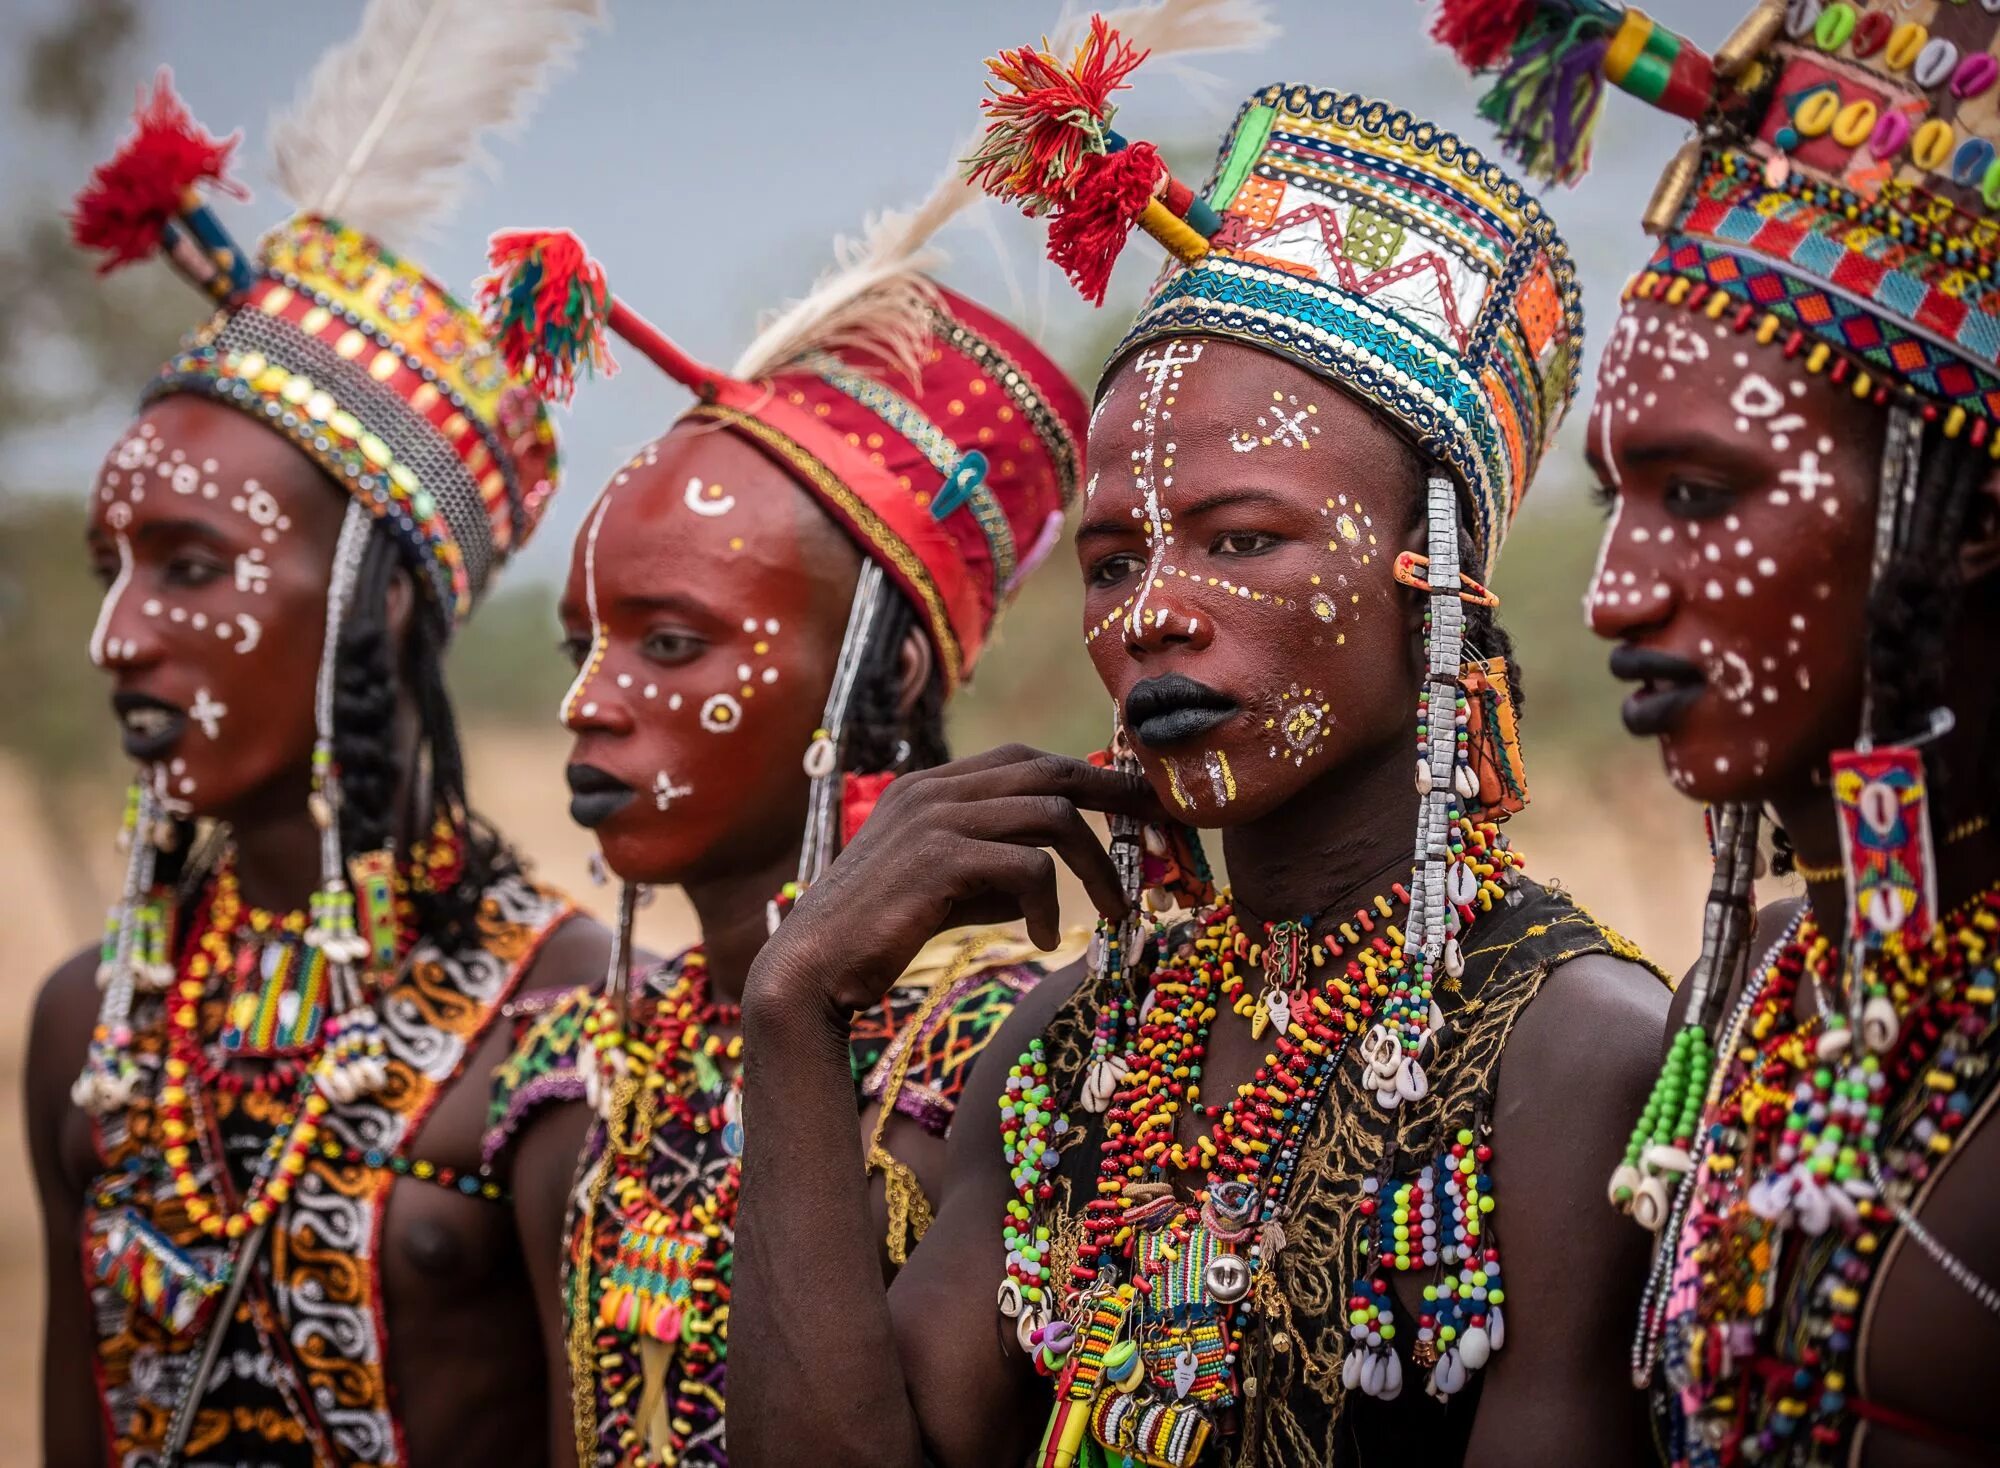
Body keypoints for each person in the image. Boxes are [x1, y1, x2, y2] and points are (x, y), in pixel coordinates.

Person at [723, 20, 1672, 1468]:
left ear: (1435, 576)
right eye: (1111, 562)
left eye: (1239, 541)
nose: (1155, 614)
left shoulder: (1571, 1053)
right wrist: (792, 1014)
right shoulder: (1070, 1051)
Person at [466, 98, 1110, 1466]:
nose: (589, 703)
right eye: (584, 649)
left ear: (870, 676)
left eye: (672, 643)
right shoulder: (575, 1072)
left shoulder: (1023, 1056)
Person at [26, 7, 611, 1464]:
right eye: (113, 572)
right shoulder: (85, 1024)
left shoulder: (581, 1024)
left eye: (190, 564)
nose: (119, 638)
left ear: (383, 612)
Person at [1442, 0, 2000, 1461]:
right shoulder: (1744, 998)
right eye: (1618, 501)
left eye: (1700, 495)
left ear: (1971, 520)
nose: (1616, 594)